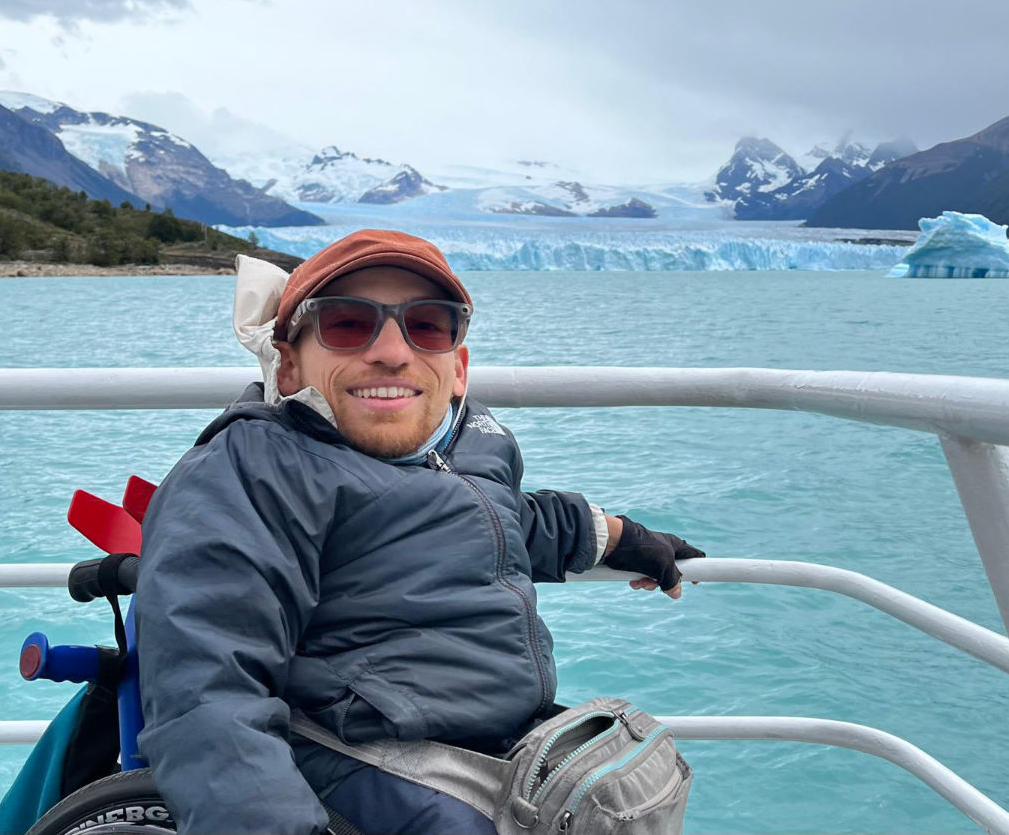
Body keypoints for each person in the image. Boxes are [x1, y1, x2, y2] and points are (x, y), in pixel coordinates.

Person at [135, 229, 705, 835]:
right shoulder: (258, 466)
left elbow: (507, 521)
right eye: (348, 324)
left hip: (490, 741)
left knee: (637, 782)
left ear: (457, 367)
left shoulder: (471, 444)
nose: (391, 350)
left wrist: (622, 538)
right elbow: (206, 691)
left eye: (427, 325)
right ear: (291, 362)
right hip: (358, 753)